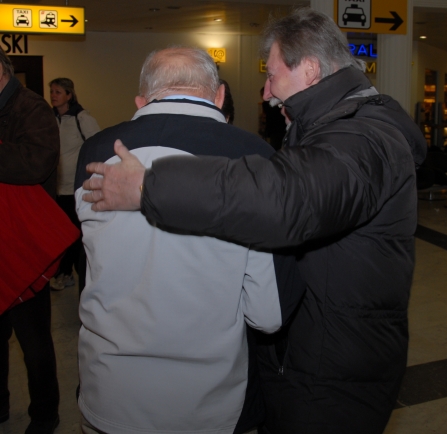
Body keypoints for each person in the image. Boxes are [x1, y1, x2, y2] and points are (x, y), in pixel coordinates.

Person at [81, 8, 427, 434]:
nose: (265, 92)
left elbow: (287, 198)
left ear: (311, 70)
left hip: (336, 373)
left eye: (273, 76)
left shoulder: (362, 136)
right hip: (315, 359)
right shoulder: (329, 130)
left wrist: (150, 188)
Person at [74, 46, 304, 434]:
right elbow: (268, 315)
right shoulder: (254, 157)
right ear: (218, 95)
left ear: (141, 100)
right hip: (207, 399)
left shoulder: (95, 153)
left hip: (108, 386)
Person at [0, 48, 61, 434]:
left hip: (24, 243)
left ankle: (45, 414)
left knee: (34, 340)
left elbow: (37, 163)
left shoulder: (31, 107)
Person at [49, 78, 100, 291]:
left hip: (75, 187)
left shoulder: (82, 118)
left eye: (58, 92)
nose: (53, 95)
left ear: (69, 95)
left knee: (75, 234)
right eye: (51, 91)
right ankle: (65, 272)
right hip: (56, 188)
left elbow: (97, 146)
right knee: (59, 232)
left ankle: (73, 274)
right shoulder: (49, 119)